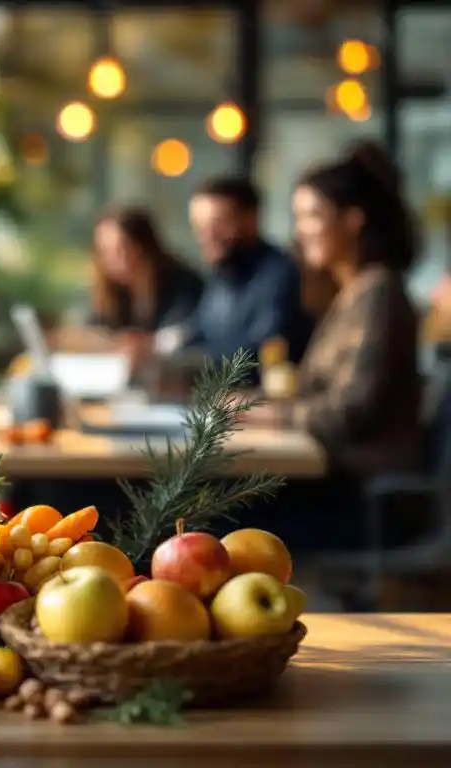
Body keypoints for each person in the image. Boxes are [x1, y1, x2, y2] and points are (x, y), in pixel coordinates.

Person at [243, 142, 422, 550]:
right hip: (339, 481)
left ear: (353, 219)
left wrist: (267, 416)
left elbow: (350, 412)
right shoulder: (350, 294)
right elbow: (314, 395)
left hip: (364, 499)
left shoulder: (379, 293)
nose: (300, 230)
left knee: (209, 512)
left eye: (312, 215)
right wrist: (250, 405)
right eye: (297, 217)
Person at [180, 177, 314, 377]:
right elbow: (198, 331)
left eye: (218, 223)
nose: (207, 236)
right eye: (199, 226)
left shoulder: (279, 275)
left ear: (252, 218)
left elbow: (259, 352)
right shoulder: (221, 274)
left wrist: (190, 361)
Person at [88, 206, 203, 333]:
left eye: (121, 249)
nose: (110, 259)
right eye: (103, 251)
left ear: (144, 246)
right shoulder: (109, 294)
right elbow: (94, 330)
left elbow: (184, 331)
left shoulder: (184, 285)